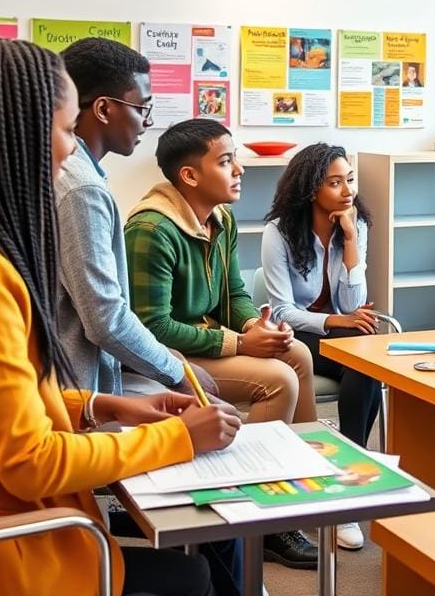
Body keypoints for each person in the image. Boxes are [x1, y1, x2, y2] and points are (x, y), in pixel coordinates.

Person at [0, 35, 241, 596]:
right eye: (66, 130)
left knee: (197, 557)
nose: (71, 150)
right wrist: (180, 438)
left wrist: (103, 404)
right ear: (17, 134)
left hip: (0, 511)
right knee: (193, 572)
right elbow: (27, 460)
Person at [56, 38, 244, 593]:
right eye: (142, 107)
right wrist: (179, 370)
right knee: (211, 501)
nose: (146, 122)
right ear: (104, 108)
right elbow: (106, 318)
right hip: (75, 392)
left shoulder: (85, 177)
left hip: (88, 391)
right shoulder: (82, 187)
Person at [124, 118, 318, 569]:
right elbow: (149, 327)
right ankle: (254, 517)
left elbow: (234, 293)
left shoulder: (221, 219)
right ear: (189, 175)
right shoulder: (151, 229)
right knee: (277, 381)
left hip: (207, 340)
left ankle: (299, 491)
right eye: (227, 161)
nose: (240, 170)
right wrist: (237, 344)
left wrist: (256, 326)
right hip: (162, 356)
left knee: (298, 354)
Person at [261, 144, 382, 552]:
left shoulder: (356, 225)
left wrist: (349, 239)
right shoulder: (279, 231)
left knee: (365, 355)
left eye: (350, 179)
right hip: (295, 337)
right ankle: (348, 478)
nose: (347, 189)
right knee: (359, 341)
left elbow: (353, 303)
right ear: (311, 188)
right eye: (335, 182)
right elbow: (281, 310)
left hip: (341, 335)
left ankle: (347, 471)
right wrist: (333, 322)